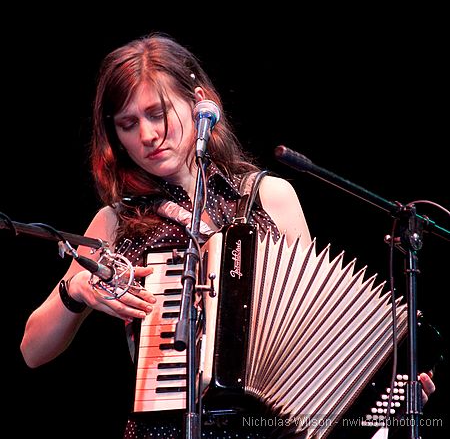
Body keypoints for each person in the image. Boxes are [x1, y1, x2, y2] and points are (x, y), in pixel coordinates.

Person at [20, 32, 435, 439]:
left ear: (199, 102)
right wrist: (73, 291)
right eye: (128, 124)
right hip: (164, 430)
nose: (146, 135)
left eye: (158, 113)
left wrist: (388, 398)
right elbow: (32, 351)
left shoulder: (271, 196)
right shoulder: (115, 221)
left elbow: (317, 341)